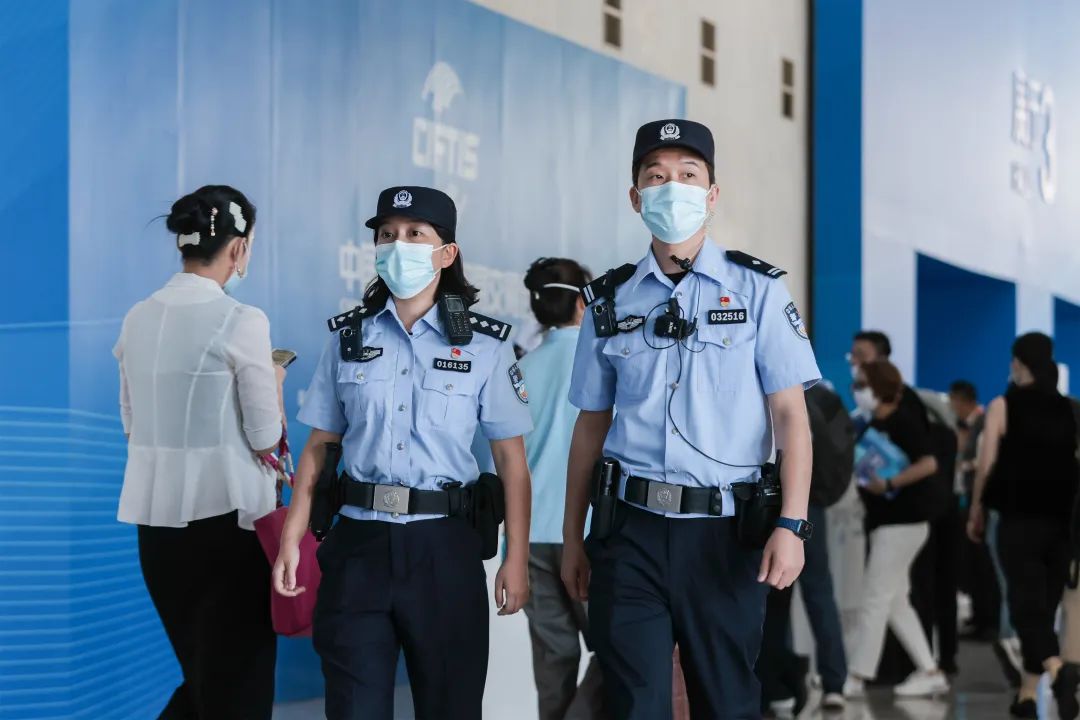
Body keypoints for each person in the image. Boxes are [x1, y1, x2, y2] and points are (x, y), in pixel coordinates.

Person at [561, 118, 821, 719]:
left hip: (725, 534)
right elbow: (590, 427)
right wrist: (574, 536)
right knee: (634, 704)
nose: (671, 187)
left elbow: (791, 416)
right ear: (636, 198)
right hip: (630, 533)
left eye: (687, 174)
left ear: (712, 193)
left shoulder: (759, 291)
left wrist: (793, 524)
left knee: (726, 703)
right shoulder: (610, 301)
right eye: (656, 177)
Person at [272, 186, 533, 720]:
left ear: (447, 253)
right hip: (357, 546)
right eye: (387, 235)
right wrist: (292, 537)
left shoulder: (484, 345)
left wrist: (517, 558)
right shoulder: (348, 338)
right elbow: (320, 447)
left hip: (444, 548)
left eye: (416, 234)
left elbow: (512, 462)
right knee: (353, 709)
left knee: (450, 707)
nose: (399, 245)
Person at [113, 185, 284, 719]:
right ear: (239, 248)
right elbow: (265, 436)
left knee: (204, 683)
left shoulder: (137, 317)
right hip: (228, 525)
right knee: (238, 687)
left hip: (157, 529)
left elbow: (131, 424)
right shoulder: (242, 320)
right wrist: (275, 382)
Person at [969, 332, 1079, 719]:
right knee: (1043, 607)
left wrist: (976, 508)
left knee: (1023, 606)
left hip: (1018, 519)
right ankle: (1027, 696)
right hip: (1062, 524)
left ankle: (1057, 670)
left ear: (1019, 363)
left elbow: (986, 463)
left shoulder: (1004, 405)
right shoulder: (1070, 409)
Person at [519, 257, 607, 720]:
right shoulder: (605, 363)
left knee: (553, 661)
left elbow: (497, 461)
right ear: (581, 304)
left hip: (531, 536)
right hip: (592, 533)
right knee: (620, 648)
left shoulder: (519, 370)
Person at [849, 330, 959, 677]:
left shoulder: (903, 419)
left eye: (862, 384)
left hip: (902, 521)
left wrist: (890, 483)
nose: (857, 389)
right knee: (896, 601)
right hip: (890, 520)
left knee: (874, 599)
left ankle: (856, 677)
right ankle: (929, 671)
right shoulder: (874, 423)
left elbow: (928, 463)